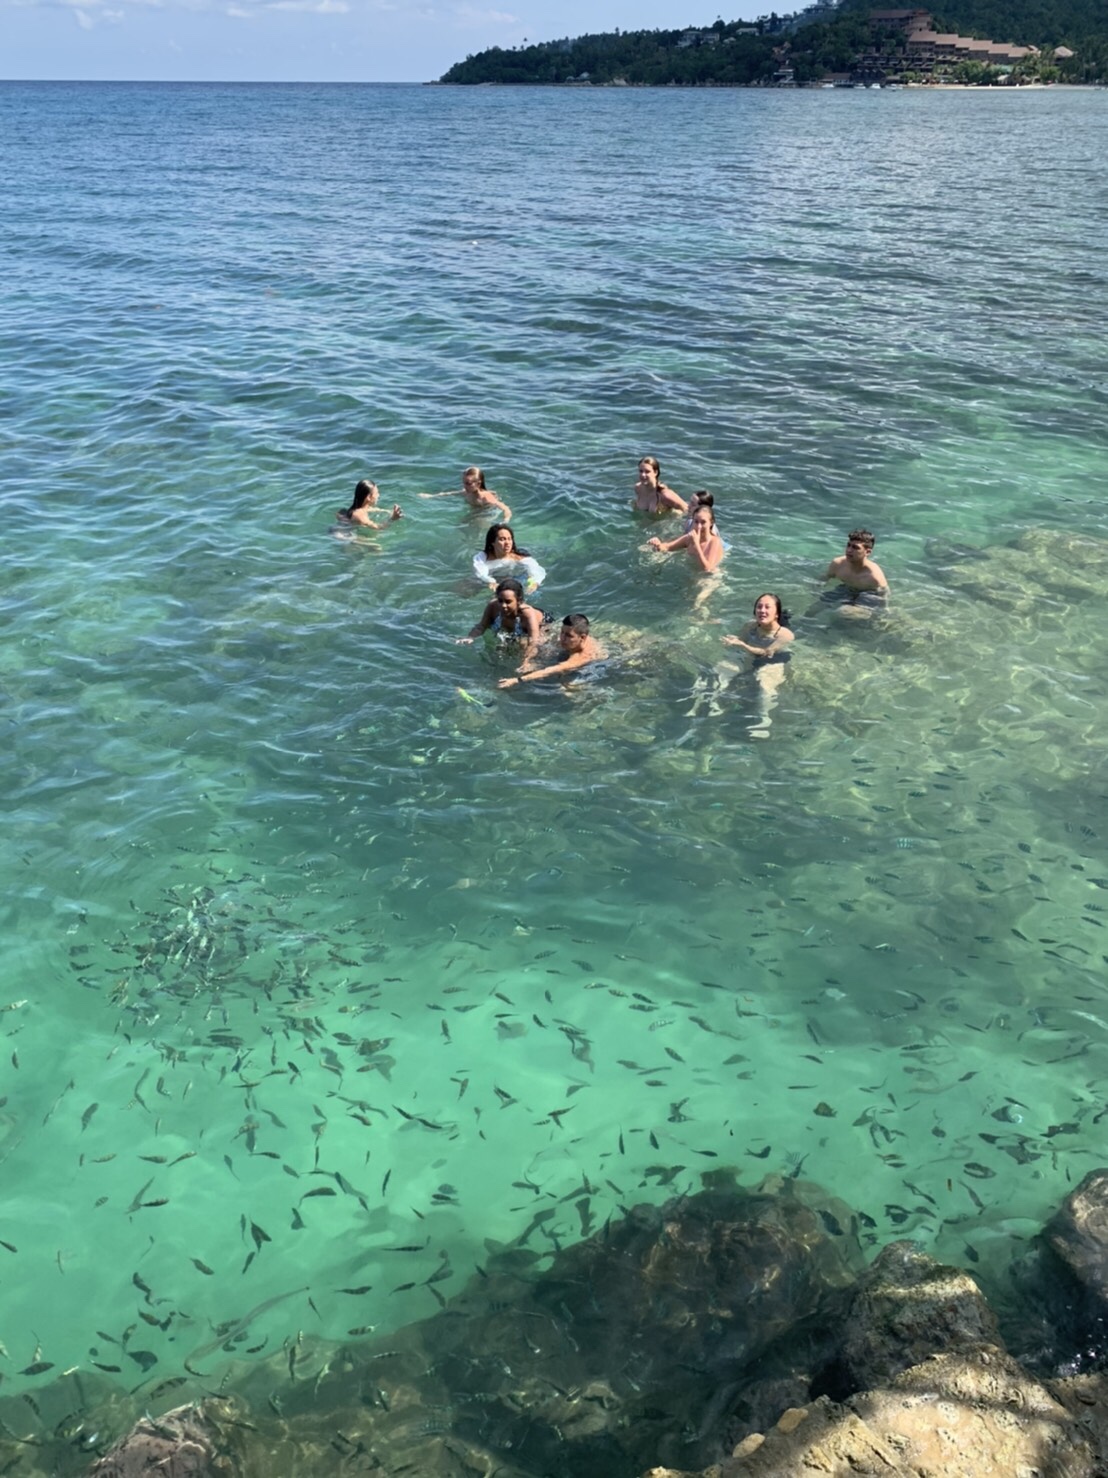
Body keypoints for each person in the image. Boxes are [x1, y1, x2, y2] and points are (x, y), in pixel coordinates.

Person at [722, 594, 795, 738]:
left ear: (777, 614)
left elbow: (766, 652)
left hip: (774, 661)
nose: (762, 610)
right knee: (722, 668)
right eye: (759, 607)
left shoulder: (785, 635)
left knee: (764, 684)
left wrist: (743, 645)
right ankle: (713, 704)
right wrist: (732, 640)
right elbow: (741, 640)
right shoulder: (750, 626)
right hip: (750, 657)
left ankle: (763, 719)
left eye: (767, 607)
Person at [457, 579, 545, 669]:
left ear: (519, 600)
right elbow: (481, 626)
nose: (503, 605)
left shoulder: (527, 613)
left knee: (526, 645)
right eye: (500, 600)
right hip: (513, 630)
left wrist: (526, 661)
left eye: (508, 602)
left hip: (542, 625)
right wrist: (470, 637)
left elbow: (534, 641)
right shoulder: (492, 606)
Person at [498, 614, 600, 689]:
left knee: (567, 687)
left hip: (589, 668)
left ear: (582, 637)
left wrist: (517, 680)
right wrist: (527, 661)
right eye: (562, 632)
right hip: (569, 652)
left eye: (568, 635)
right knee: (524, 642)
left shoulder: (581, 657)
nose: (562, 638)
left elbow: (549, 671)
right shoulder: (572, 640)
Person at [648, 503, 725, 573]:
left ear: (711, 522)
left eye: (703, 522)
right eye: (696, 522)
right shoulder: (689, 538)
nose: (699, 526)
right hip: (692, 574)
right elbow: (667, 547)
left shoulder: (714, 542)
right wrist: (658, 544)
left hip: (710, 579)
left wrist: (696, 545)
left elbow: (708, 569)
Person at [821, 529, 888, 608]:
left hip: (868, 594)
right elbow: (823, 579)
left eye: (855, 547)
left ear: (868, 552)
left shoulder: (874, 576)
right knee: (818, 606)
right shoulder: (838, 564)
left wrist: (884, 610)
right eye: (848, 545)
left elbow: (884, 595)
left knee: (846, 612)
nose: (849, 550)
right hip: (846, 589)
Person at [472, 524, 546, 593]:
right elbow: (480, 571)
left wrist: (535, 582)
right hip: (489, 580)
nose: (507, 543)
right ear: (492, 542)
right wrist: (490, 581)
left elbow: (536, 569)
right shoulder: (483, 557)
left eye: (509, 539)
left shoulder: (519, 557)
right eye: (502, 539)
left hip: (514, 577)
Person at [420, 466, 511, 522]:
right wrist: (431, 496)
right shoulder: (466, 492)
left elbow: (505, 508)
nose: (465, 486)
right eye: (464, 482)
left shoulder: (486, 497)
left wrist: (506, 520)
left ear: (478, 483)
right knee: (461, 524)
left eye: (468, 483)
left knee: (478, 525)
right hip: (474, 512)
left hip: (485, 514)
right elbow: (451, 494)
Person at [335, 479, 402, 529]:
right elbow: (378, 528)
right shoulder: (359, 515)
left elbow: (370, 509)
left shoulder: (356, 508)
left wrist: (388, 512)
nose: (378, 495)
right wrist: (392, 519)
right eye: (377, 493)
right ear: (369, 497)